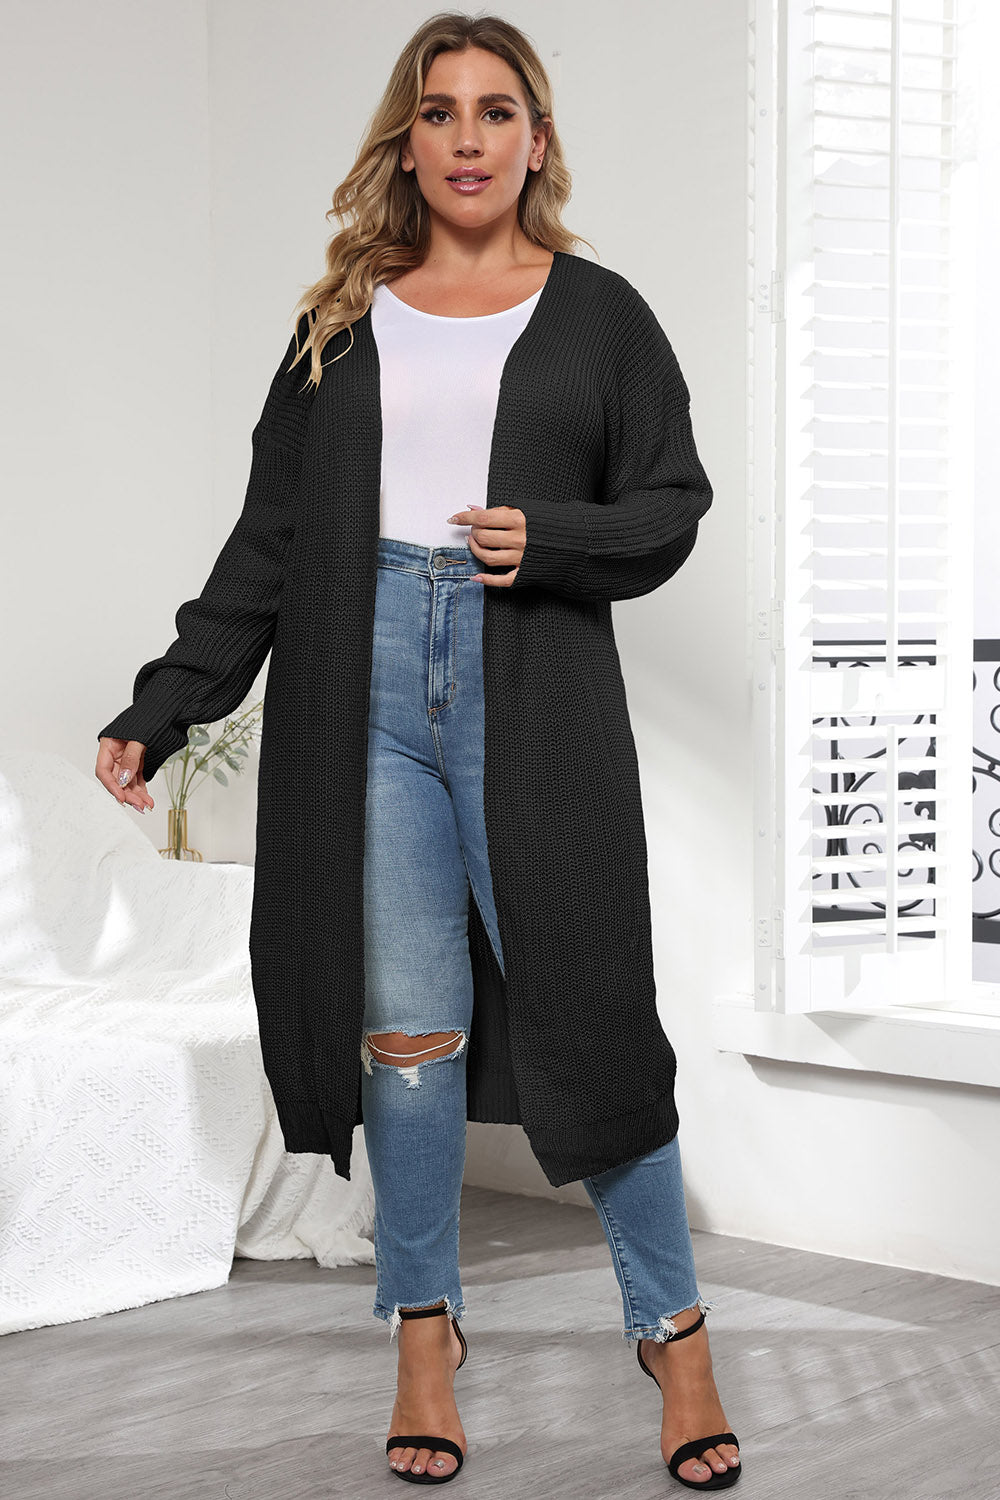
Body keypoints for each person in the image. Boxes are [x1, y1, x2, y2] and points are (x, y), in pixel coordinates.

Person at [95, 11, 740, 1492]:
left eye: (496, 111)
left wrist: (551, 536)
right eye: (439, 111)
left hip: (535, 689)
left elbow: (671, 504)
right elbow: (269, 543)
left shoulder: (600, 315)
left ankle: (676, 1334)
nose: (467, 138)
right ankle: (425, 1337)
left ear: (536, 138)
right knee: (408, 1037)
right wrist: (165, 704)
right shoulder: (342, 324)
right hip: (359, 687)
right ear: (407, 140)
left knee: (591, 1012)